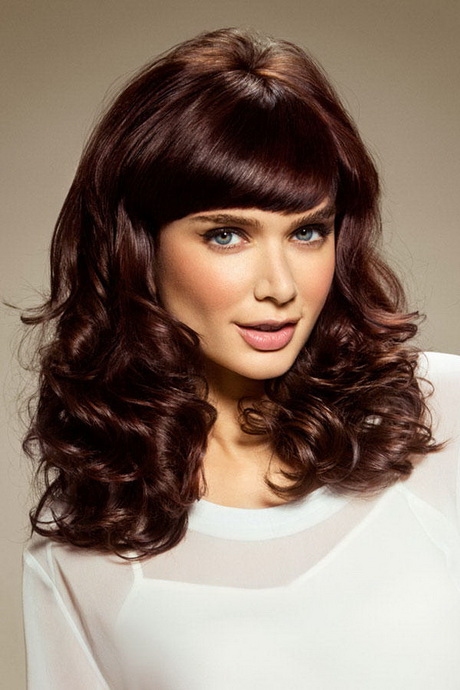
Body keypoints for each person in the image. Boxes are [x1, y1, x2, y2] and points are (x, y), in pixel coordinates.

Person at [22, 27, 460, 690]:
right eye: (227, 235)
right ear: (137, 247)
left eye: (307, 231)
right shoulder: (85, 549)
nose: (279, 286)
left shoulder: (442, 417)